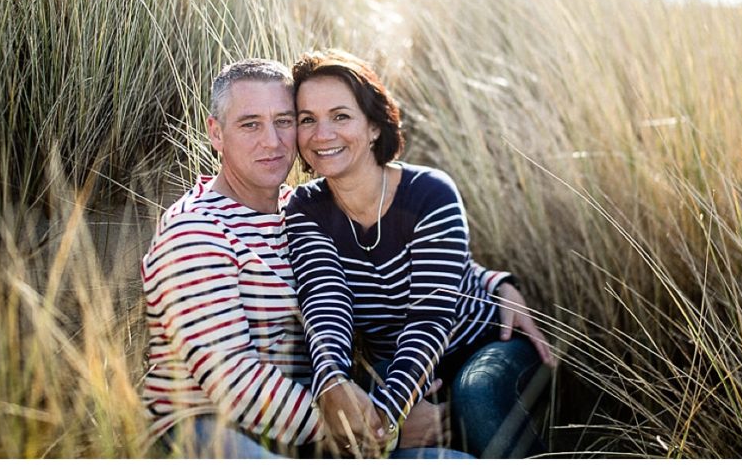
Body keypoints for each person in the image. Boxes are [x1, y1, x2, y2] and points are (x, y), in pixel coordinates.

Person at [141, 58, 500, 458]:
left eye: (285, 121)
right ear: (216, 133)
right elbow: (232, 381)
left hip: (312, 423)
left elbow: (413, 262)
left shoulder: (301, 211)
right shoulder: (195, 232)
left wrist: (493, 283)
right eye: (250, 124)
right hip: (210, 425)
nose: (273, 142)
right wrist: (374, 429)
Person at [285, 49, 557, 459]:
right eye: (308, 119)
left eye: (341, 116)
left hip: (484, 343)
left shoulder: (430, 193)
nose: (322, 133)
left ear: (374, 126)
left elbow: (430, 319)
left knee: (476, 397)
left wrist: (388, 414)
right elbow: (326, 307)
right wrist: (333, 384)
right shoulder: (306, 208)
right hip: (400, 368)